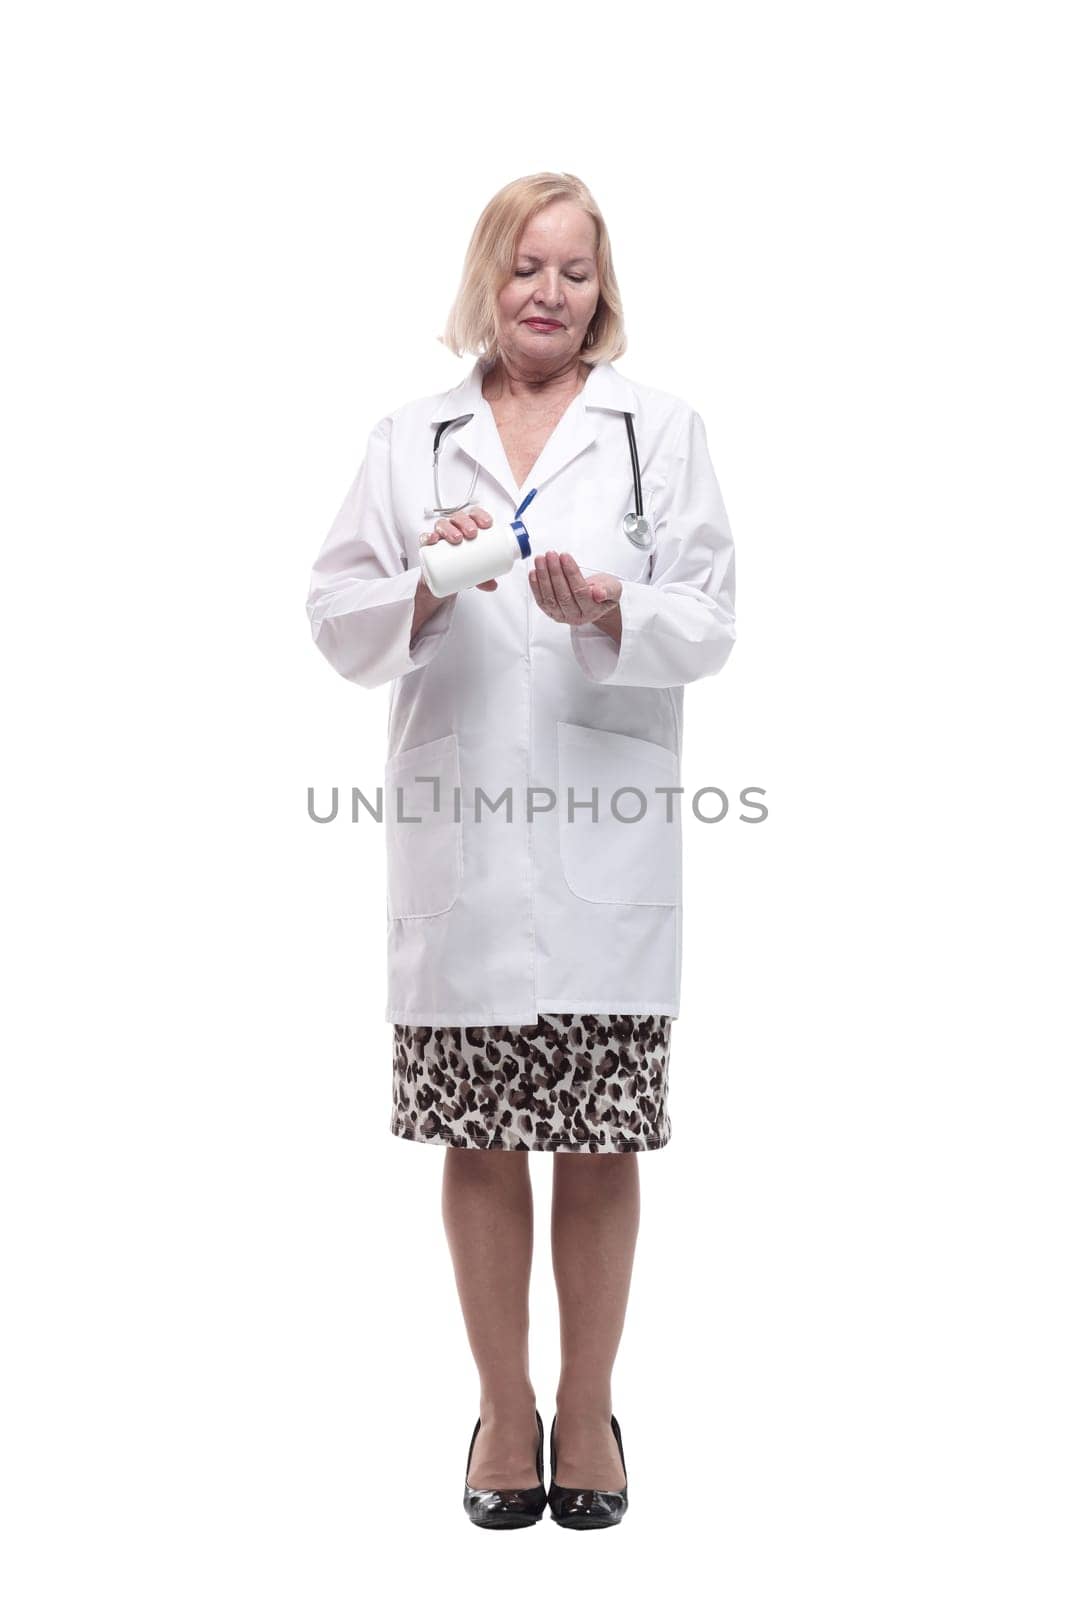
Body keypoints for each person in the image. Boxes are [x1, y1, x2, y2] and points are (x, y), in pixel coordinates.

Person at [306, 171, 736, 1529]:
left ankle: (590, 1405)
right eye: (526, 267)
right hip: (465, 847)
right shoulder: (411, 436)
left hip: (604, 839)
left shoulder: (656, 431)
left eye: (577, 271)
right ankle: (503, 1410)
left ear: (604, 291)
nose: (551, 293)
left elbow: (712, 617)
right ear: (485, 277)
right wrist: (429, 584)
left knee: (602, 1139)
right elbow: (335, 614)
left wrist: (609, 605)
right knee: (481, 1140)